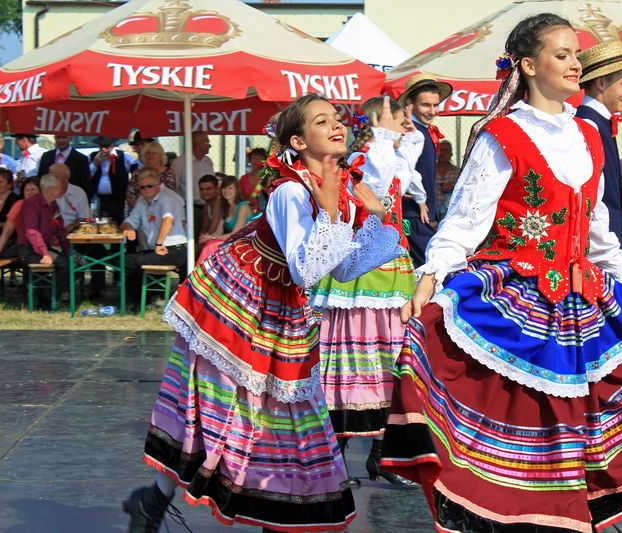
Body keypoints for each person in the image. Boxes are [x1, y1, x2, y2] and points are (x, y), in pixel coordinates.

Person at [379, 14, 622, 532]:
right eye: (561, 54)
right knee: (534, 423)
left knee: (586, 419)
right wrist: (430, 278)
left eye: (575, 54)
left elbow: (597, 227)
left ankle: (573, 514)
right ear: (527, 65)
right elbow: (466, 221)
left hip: (582, 297)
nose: (573, 63)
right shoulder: (502, 133)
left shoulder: (587, 132)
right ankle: (535, 517)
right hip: (518, 296)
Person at [123, 93, 404, 533]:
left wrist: (372, 218)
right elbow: (306, 268)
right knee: (220, 404)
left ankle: (271, 509)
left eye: (336, 119)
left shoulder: (342, 188)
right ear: (297, 140)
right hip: (238, 301)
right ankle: (156, 500)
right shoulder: (292, 190)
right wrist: (332, 210)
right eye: (320, 121)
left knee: (286, 412)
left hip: (282, 310)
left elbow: (344, 267)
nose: (336, 126)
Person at [310, 96, 426, 487]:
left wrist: (405, 138)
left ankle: (381, 456)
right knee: (350, 363)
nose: (404, 124)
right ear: (377, 122)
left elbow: (404, 171)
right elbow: (376, 191)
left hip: (392, 273)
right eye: (398, 117)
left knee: (388, 362)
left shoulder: (386, 160)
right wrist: (384, 136)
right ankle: (335, 461)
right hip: (358, 276)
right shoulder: (360, 164)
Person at [576, 40, 622, 252]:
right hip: (600, 249)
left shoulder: (600, 123)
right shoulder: (588, 125)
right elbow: (592, 199)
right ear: (600, 83)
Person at [399, 73, 453, 267]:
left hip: (421, 215)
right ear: (410, 105)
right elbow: (406, 170)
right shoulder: (410, 133)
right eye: (426, 105)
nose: (432, 111)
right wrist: (422, 202)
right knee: (431, 269)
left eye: (436, 105)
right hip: (412, 215)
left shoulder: (423, 131)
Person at [120, 168, 188, 308]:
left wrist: (158, 243)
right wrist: (128, 228)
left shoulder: (166, 198)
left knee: (141, 261)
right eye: (142, 187)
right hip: (157, 249)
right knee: (126, 260)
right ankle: (137, 301)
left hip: (175, 249)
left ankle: (149, 298)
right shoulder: (142, 201)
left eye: (149, 186)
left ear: (158, 185)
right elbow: (129, 221)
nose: (146, 190)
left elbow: (168, 220)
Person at [17, 173, 70, 309]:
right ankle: (49, 298)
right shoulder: (31, 204)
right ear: (52, 189)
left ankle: (48, 296)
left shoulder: (54, 205)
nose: (62, 190)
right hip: (28, 249)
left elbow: (60, 231)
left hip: (42, 247)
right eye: (59, 187)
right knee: (64, 265)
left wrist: (69, 252)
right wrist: (45, 254)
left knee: (73, 263)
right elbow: (31, 232)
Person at [196, 175, 251, 263]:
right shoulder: (225, 206)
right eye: (224, 188)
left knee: (211, 245)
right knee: (209, 243)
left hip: (244, 243)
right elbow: (219, 231)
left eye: (230, 188)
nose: (226, 191)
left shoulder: (243, 206)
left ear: (237, 190)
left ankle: (202, 273)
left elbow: (235, 234)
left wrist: (213, 237)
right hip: (232, 242)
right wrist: (207, 238)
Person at [172, 131, 215, 238]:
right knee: (191, 240)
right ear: (197, 144)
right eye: (207, 143)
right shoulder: (180, 162)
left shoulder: (208, 161)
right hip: (189, 208)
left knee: (205, 238)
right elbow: (173, 188)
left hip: (209, 207)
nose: (210, 146)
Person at [0, 177, 40, 260]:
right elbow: (7, 231)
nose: (30, 192)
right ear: (23, 193)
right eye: (27, 190)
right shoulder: (19, 205)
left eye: (33, 189)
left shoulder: (48, 204)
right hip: (25, 246)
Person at [89, 136, 131, 224]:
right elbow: (86, 176)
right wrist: (95, 164)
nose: (103, 149)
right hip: (97, 200)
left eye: (106, 146)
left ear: (113, 145)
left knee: (117, 226)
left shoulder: (124, 156)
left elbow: (135, 172)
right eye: (101, 146)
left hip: (117, 200)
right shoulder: (92, 156)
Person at [126, 141, 177, 212]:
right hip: (139, 212)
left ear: (161, 156)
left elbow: (169, 194)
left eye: (154, 153)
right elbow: (130, 195)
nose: (150, 156)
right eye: (148, 153)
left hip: (162, 211)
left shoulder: (168, 173)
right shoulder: (137, 173)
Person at [52, 162, 89, 233]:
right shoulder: (45, 191)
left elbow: (85, 219)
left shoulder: (78, 192)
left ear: (66, 179)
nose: (50, 180)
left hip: (72, 233)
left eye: (55, 177)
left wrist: (71, 226)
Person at [0, 168, 19, 256]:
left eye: (1, 182)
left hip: (11, 241)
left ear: (9, 184)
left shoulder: (16, 200)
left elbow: (14, 227)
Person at [238, 147, 269, 213]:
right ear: (250, 160)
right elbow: (239, 198)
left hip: (265, 213)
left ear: (264, 161)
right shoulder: (243, 179)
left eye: (259, 158)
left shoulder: (269, 178)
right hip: (247, 213)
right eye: (253, 158)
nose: (256, 161)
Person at [435, 140, 460, 218]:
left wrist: (453, 188)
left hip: (452, 213)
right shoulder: (429, 171)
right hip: (432, 211)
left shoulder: (458, 172)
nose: (443, 153)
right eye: (440, 150)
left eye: (446, 151)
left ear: (451, 154)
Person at [195, 175, 222, 246]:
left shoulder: (219, 201)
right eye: (201, 189)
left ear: (217, 189)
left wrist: (201, 243)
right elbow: (205, 227)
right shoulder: (207, 204)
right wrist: (199, 241)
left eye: (208, 189)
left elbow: (213, 228)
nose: (204, 192)